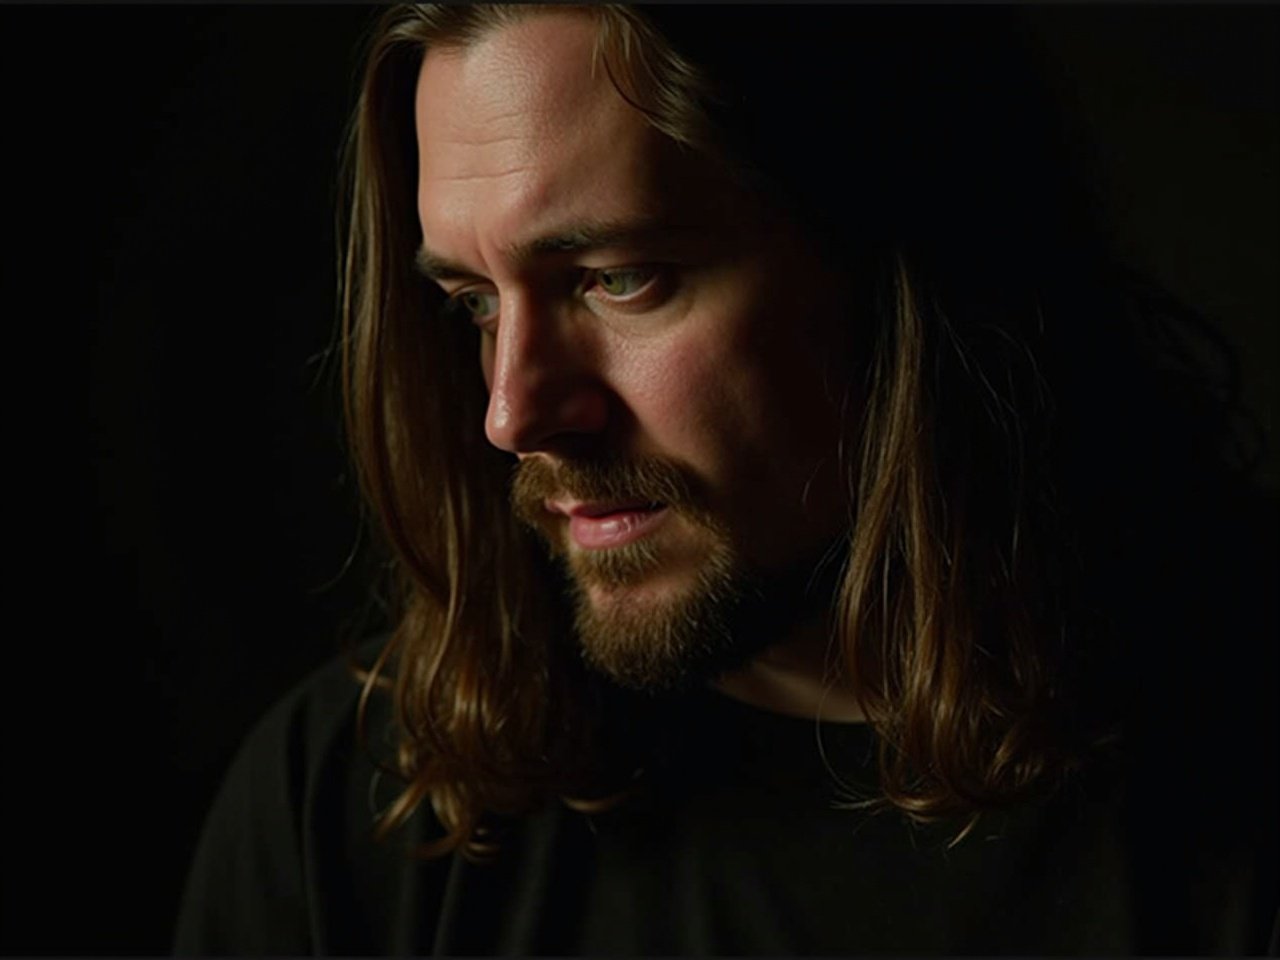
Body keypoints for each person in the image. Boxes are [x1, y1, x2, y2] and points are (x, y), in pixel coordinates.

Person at [175, 5, 1277, 954]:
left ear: (899, 267)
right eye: (472, 301)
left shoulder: (1229, 784)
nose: (513, 413)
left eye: (619, 279)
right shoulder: (346, 807)